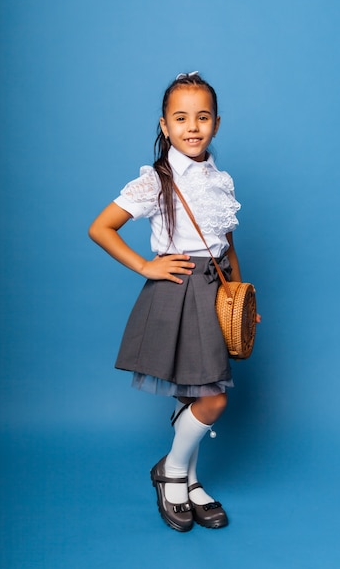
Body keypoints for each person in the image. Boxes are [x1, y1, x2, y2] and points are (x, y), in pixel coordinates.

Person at [89, 71, 260, 532]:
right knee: (209, 399)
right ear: (164, 125)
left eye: (202, 117)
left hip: (215, 293)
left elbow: (228, 244)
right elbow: (100, 227)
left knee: (200, 392)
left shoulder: (219, 179)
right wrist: (147, 266)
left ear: (217, 125)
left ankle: (190, 479)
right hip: (177, 293)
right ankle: (171, 472)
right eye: (180, 117)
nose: (192, 126)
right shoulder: (155, 182)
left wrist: (240, 298)